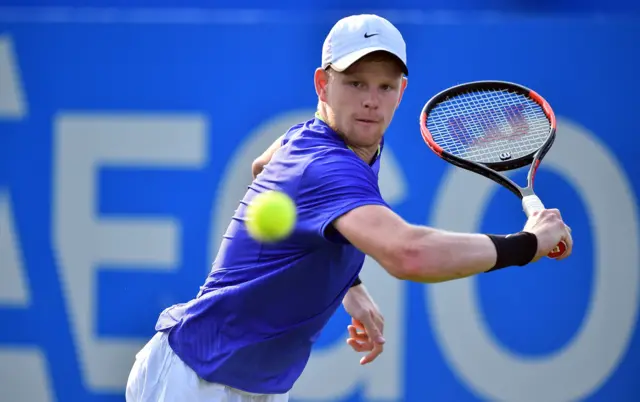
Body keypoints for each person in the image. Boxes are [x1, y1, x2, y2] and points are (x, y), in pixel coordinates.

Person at [125, 13, 573, 402]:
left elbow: (263, 165)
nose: (370, 100)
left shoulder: (328, 144)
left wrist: (347, 281)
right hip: (195, 377)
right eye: (355, 82)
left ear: (402, 91)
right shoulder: (326, 165)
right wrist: (527, 243)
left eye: (384, 86)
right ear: (323, 84)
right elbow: (409, 253)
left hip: (253, 383)